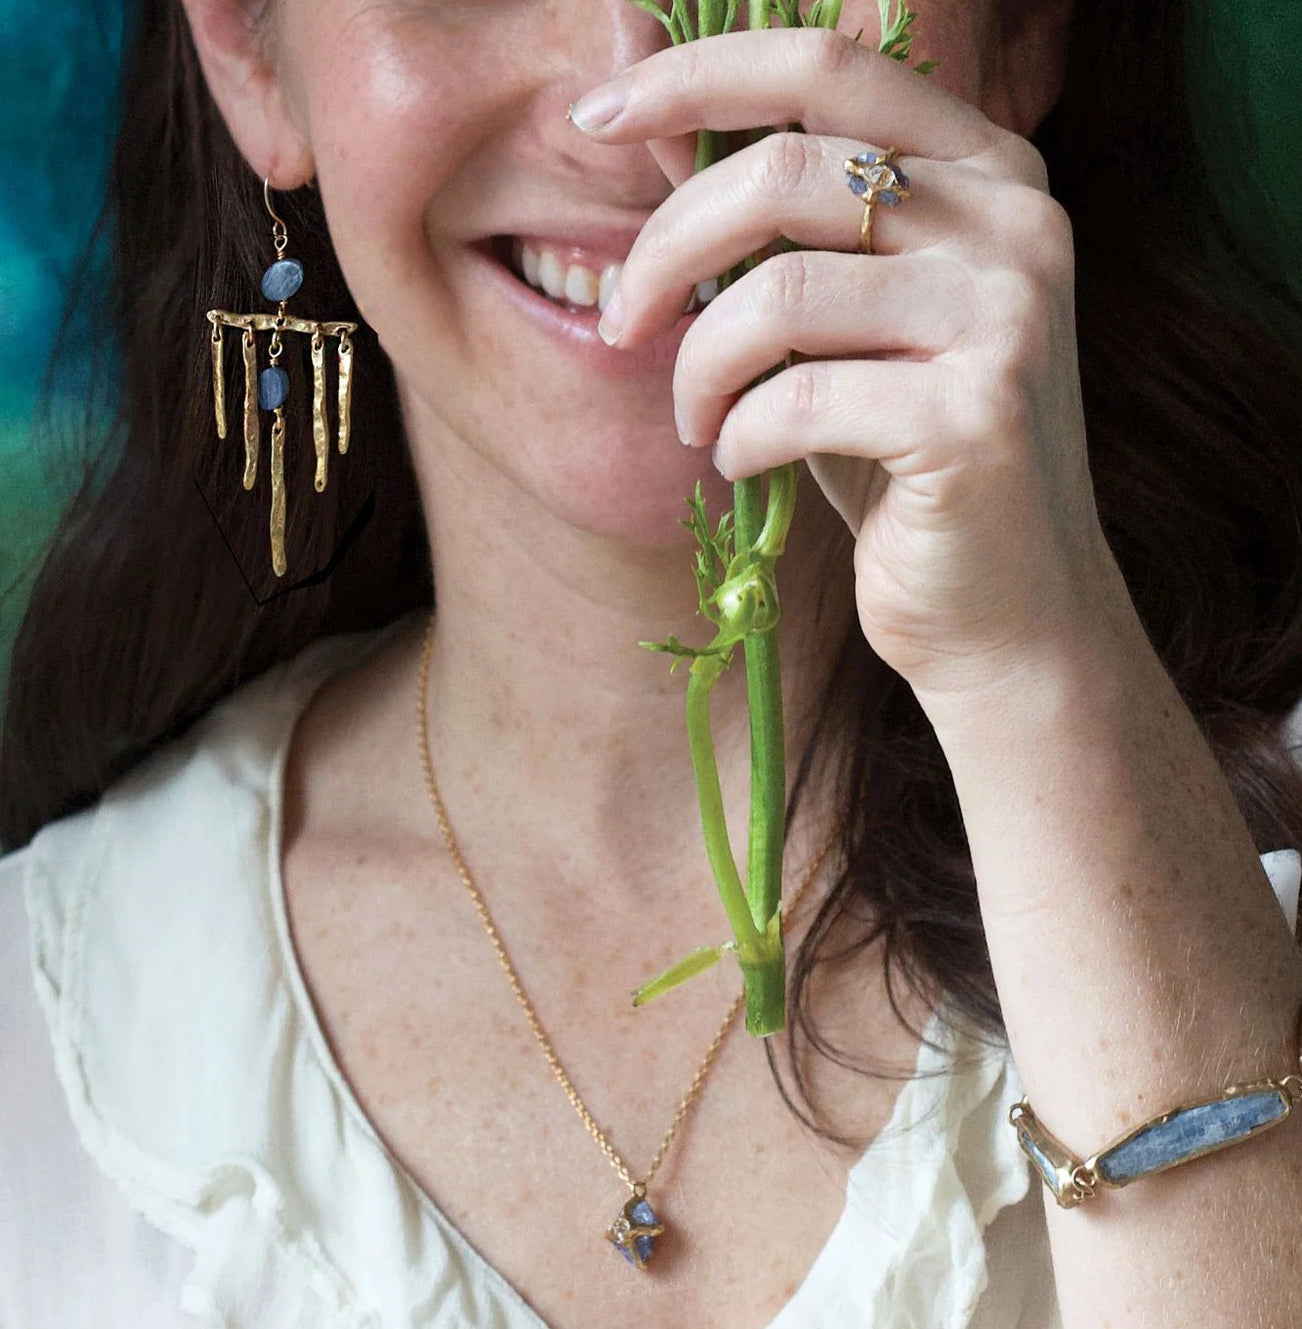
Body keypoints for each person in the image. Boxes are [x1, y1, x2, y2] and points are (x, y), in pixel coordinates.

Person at [3, 0, 1302, 1325]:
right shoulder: (43, 1052)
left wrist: (1036, 679)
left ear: (1024, 30)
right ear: (246, 48)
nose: (641, 98)